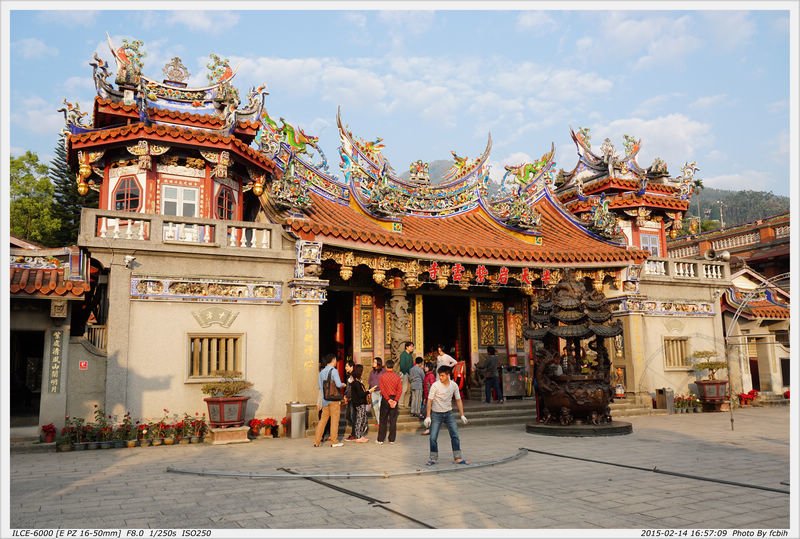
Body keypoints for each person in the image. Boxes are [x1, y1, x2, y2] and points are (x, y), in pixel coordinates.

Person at [423, 365, 469, 465]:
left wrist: (462, 415)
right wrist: (428, 416)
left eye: (443, 376)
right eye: (439, 376)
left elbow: (458, 400)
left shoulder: (454, 385)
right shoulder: (435, 385)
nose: (441, 378)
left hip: (449, 413)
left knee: (455, 435)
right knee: (433, 437)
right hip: (436, 414)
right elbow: (430, 401)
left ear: (448, 375)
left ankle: (458, 457)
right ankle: (433, 458)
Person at [314, 353, 344, 448]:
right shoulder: (334, 371)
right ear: (333, 360)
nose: (336, 362)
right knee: (334, 421)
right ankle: (334, 441)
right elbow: (338, 384)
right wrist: (343, 384)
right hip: (334, 400)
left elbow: (320, 387)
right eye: (335, 360)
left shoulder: (321, 372)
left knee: (322, 421)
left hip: (325, 400)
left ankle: (316, 441)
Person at [376, 359, 402, 445]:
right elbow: (400, 390)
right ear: (393, 366)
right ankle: (392, 439)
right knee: (393, 420)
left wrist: (388, 399)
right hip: (394, 399)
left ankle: (380, 439)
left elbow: (382, 389)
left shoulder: (382, 377)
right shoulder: (397, 377)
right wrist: (395, 400)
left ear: (386, 367)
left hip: (385, 399)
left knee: (383, 419)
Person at [349, 364, 371, 443]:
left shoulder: (357, 382)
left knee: (363, 419)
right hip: (359, 404)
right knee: (360, 419)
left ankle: (360, 435)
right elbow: (360, 394)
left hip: (361, 403)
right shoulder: (356, 383)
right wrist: (369, 391)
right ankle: (358, 436)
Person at [368, 357, 384, 426]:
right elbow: (370, 382)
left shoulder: (383, 371)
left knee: (381, 407)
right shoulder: (372, 372)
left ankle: (383, 421)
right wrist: (369, 392)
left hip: (381, 392)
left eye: (374, 362)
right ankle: (379, 422)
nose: (373, 363)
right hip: (374, 392)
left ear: (378, 363)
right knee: (375, 407)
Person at [342, 359, 356, 440]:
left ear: (351, 367)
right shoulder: (349, 376)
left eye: (347, 366)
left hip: (353, 398)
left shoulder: (354, 375)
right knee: (348, 415)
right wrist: (345, 395)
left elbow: (351, 388)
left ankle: (354, 433)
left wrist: (347, 396)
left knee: (352, 415)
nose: (345, 368)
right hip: (349, 397)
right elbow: (348, 387)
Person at [421, 361, 436, 435]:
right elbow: (425, 388)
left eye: (426, 366)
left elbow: (432, 387)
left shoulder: (431, 376)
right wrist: (424, 398)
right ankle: (429, 428)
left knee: (428, 413)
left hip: (431, 398)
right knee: (427, 413)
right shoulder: (426, 375)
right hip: (427, 397)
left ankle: (429, 429)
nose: (424, 367)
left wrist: (431, 398)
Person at [398, 341, 414, 408]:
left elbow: (412, 365)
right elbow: (402, 366)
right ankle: (400, 403)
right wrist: (407, 372)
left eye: (413, 346)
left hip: (410, 374)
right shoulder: (403, 355)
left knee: (408, 390)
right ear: (407, 347)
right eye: (411, 346)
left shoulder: (410, 355)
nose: (412, 348)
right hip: (405, 373)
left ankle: (406, 404)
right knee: (404, 389)